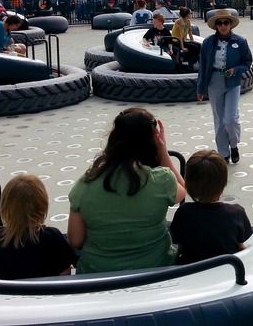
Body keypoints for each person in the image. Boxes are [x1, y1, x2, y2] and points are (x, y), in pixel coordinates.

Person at [67, 108, 186, 274]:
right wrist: (163, 152)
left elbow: (75, 240)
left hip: (98, 274)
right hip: (157, 269)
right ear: (151, 142)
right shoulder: (162, 179)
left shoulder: (85, 184)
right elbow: (182, 192)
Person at [0, 174, 77, 280]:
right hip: (45, 296)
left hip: (8, 297)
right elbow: (65, 273)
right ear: (42, 205)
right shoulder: (52, 236)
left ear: (5, 207)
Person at [169, 150, 253, 265]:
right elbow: (242, 243)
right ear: (224, 182)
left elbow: (178, 240)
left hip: (191, 271)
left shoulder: (184, 212)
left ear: (188, 183)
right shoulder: (236, 213)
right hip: (227, 270)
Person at [197, 9, 253, 164]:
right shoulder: (208, 42)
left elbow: (247, 63)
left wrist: (235, 70)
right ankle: (223, 153)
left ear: (231, 24)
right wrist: (200, 88)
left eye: (226, 23)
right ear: (216, 25)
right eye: (220, 23)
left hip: (232, 82)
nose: (223, 26)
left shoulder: (240, 42)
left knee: (231, 119)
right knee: (219, 120)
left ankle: (234, 145)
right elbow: (203, 66)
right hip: (214, 81)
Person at [172, 6, 200, 71]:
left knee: (198, 46)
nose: (191, 15)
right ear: (188, 14)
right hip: (176, 41)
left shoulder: (188, 21)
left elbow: (190, 33)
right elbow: (180, 36)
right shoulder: (179, 22)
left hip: (183, 40)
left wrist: (192, 41)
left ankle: (192, 62)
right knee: (193, 47)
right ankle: (185, 62)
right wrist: (182, 47)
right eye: (191, 13)